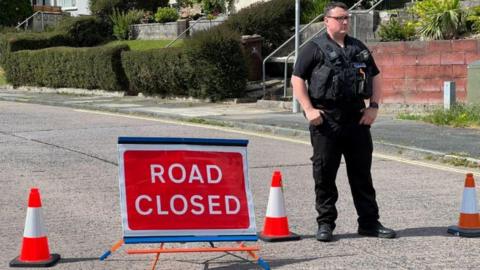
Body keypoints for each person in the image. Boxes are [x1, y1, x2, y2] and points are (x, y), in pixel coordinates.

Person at [291, 1, 396, 242]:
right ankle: (325, 224)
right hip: (327, 121)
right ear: (326, 21)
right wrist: (308, 109)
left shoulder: (358, 48)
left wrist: (374, 107)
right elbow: (297, 79)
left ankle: (369, 223)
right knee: (325, 175)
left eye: (347, 17)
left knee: (362, 175)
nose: (345, 22)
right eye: (339, 18)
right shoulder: (313, 48)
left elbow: (376, 76)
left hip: (357, 120)